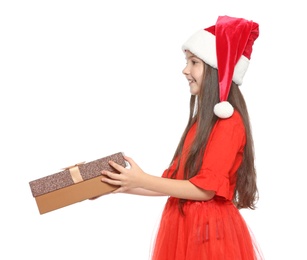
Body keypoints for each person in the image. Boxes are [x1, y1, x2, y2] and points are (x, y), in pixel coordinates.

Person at [100, 15, 264, 260]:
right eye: (187, 61)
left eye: (194, 62)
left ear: (215, 70)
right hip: (187, 229)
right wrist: (121, 184)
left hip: (211, 234)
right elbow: (176, 185)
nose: (185, 70)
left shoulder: (229, 123)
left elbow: (204, 191)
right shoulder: (201, 123)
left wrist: (141, 178)